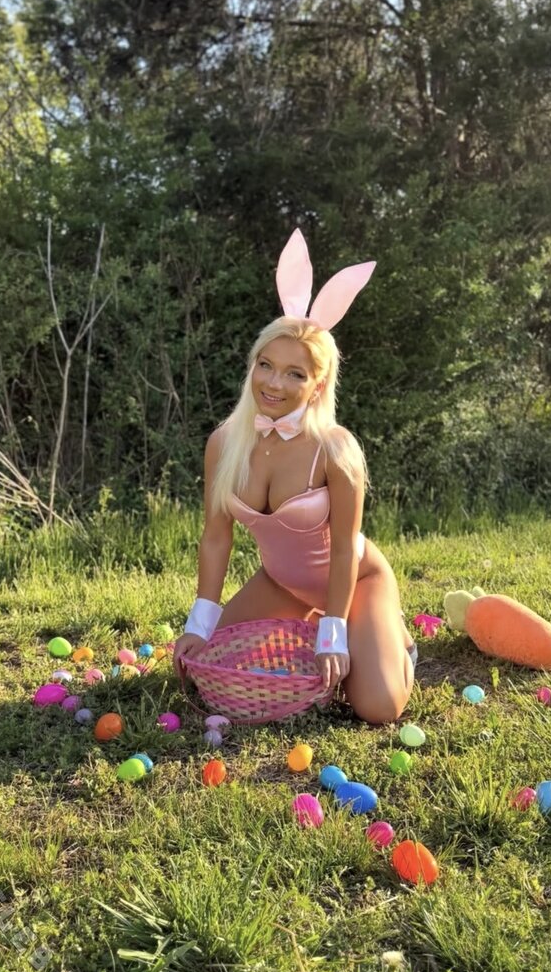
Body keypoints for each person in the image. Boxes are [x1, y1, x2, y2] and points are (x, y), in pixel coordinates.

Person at [173, 229, 415, 724]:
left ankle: (394, 640)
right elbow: (216, 537)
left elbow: (345, 549)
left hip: (357, 580)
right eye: (266, 365)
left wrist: (334, 632)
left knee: (377, 707)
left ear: (318, 384)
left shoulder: (335, 449)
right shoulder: (224, 443)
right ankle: (324, 629)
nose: (273, 383)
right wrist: (200, 621)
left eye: (294, 374)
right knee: (201, 671)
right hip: (281, 582)